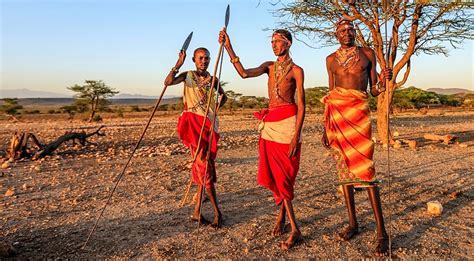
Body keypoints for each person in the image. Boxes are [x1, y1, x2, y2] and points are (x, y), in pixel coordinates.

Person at [219, 29, 305, 250]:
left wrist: (296, 136)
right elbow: (244, 74)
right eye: (272, 41)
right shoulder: (269, 66)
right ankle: (284, 219)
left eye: (278, 41)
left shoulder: (297, 70)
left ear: (288, 43)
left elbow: (302, 104)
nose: (274, 44)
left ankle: (295, 229)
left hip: (288, 124)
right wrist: (229, 47)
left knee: (285, 175)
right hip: (271, 124)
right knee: (277, 176)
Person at [322, 19, 392, 256]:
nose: (347, 33)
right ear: (336, 34)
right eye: (342, 30)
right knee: (344, 170)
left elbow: (372, 90)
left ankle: (382, 231)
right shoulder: (330, 60)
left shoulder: (367, 53)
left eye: (351, 29)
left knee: (366, 169)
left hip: (359, 114)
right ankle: (353, 223)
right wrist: (325, 127)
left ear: (355, 32)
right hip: (337, 116)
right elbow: (331, 94)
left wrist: (382, 81)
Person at [164, 47, 227, 228]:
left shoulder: (213, 78)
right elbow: (167, 82)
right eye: (200, 58)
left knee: (203, 164)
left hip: (208, 124)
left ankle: (197, 211)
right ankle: (217, 213)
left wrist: (214, 109)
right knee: (203, 164)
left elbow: (224, 97)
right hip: (192, 124)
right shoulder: (188, 75)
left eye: (206, 58)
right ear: (194, 59)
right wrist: (177, 65)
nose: (204, 61)